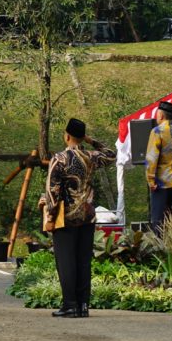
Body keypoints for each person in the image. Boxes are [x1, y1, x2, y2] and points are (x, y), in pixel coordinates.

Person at [41, 118, 116, 318]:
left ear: (66, 136)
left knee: (66, 261)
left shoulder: (60, 158)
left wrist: (50, 216)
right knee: (83, 261)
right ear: (82, 137)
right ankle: (83, 305)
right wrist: (90, 141)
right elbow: (111, 154)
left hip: (65, 217)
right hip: (87, 216)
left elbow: (53, 190)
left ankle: (70, 304)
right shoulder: (90, 156)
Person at [145, 100, 172, 233]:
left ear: (161, 115)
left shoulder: (157, 131)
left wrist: (150, 180)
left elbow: (152, 157)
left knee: (159, 219)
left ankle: (161, 249)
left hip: (162, 182)